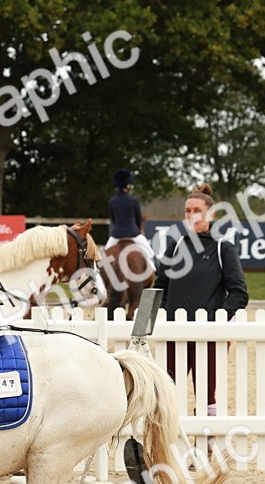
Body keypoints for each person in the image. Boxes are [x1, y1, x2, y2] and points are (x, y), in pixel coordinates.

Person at [153, 183, 248, 416]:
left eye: (196, 209)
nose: (191, 215)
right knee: (166, 394)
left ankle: (206, 446)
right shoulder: (175, 247)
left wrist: (218, 318)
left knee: (207, 396)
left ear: (211, 214)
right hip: (174, 335)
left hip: (209, 337)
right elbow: (159, 287)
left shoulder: (222, 248)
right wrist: (149, 321)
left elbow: (239, 292)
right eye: (187, 210)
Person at [105, 169, 155, 263]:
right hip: (133, 234)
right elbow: (138, 220)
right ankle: (156, 275)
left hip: (116, 235)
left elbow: (113, 220)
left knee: (102, 260)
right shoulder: (134, 200)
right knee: (151, 254)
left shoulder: (112, 201)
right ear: (127, 185)